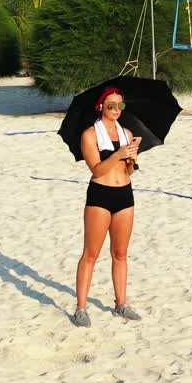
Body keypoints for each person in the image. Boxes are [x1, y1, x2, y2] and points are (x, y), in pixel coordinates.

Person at [72, 87, 143, 328]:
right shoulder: (90, 134)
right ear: (101, 106)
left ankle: (121, 304)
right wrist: (118, 154)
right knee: (90, 254)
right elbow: (97, 170)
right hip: (100, 194)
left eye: (120, 105)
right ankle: (81, 308)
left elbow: (128, 171)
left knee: (120, 253)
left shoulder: (126, 133)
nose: (116, 110)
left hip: (124, 194)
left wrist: (132, 160)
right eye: (111, 105)